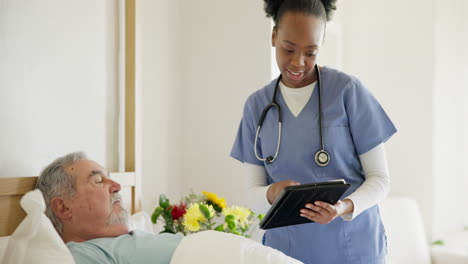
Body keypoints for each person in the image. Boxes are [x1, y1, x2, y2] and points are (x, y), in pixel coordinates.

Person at [230, 0, 397, 263]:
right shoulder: (257, 106)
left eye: (311, 52)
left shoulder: (347, 91)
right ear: (274, 36)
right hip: (286, 251)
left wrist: (342, 207)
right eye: (289, 49)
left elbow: (380, 179)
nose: (298, 62)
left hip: (353, 248)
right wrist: (271, 193)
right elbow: (251, 192)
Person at [35, 152, 184, 263]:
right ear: (63, 208)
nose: (117, 186)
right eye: (99, 180)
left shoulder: (122, 242)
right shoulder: (84, 255)